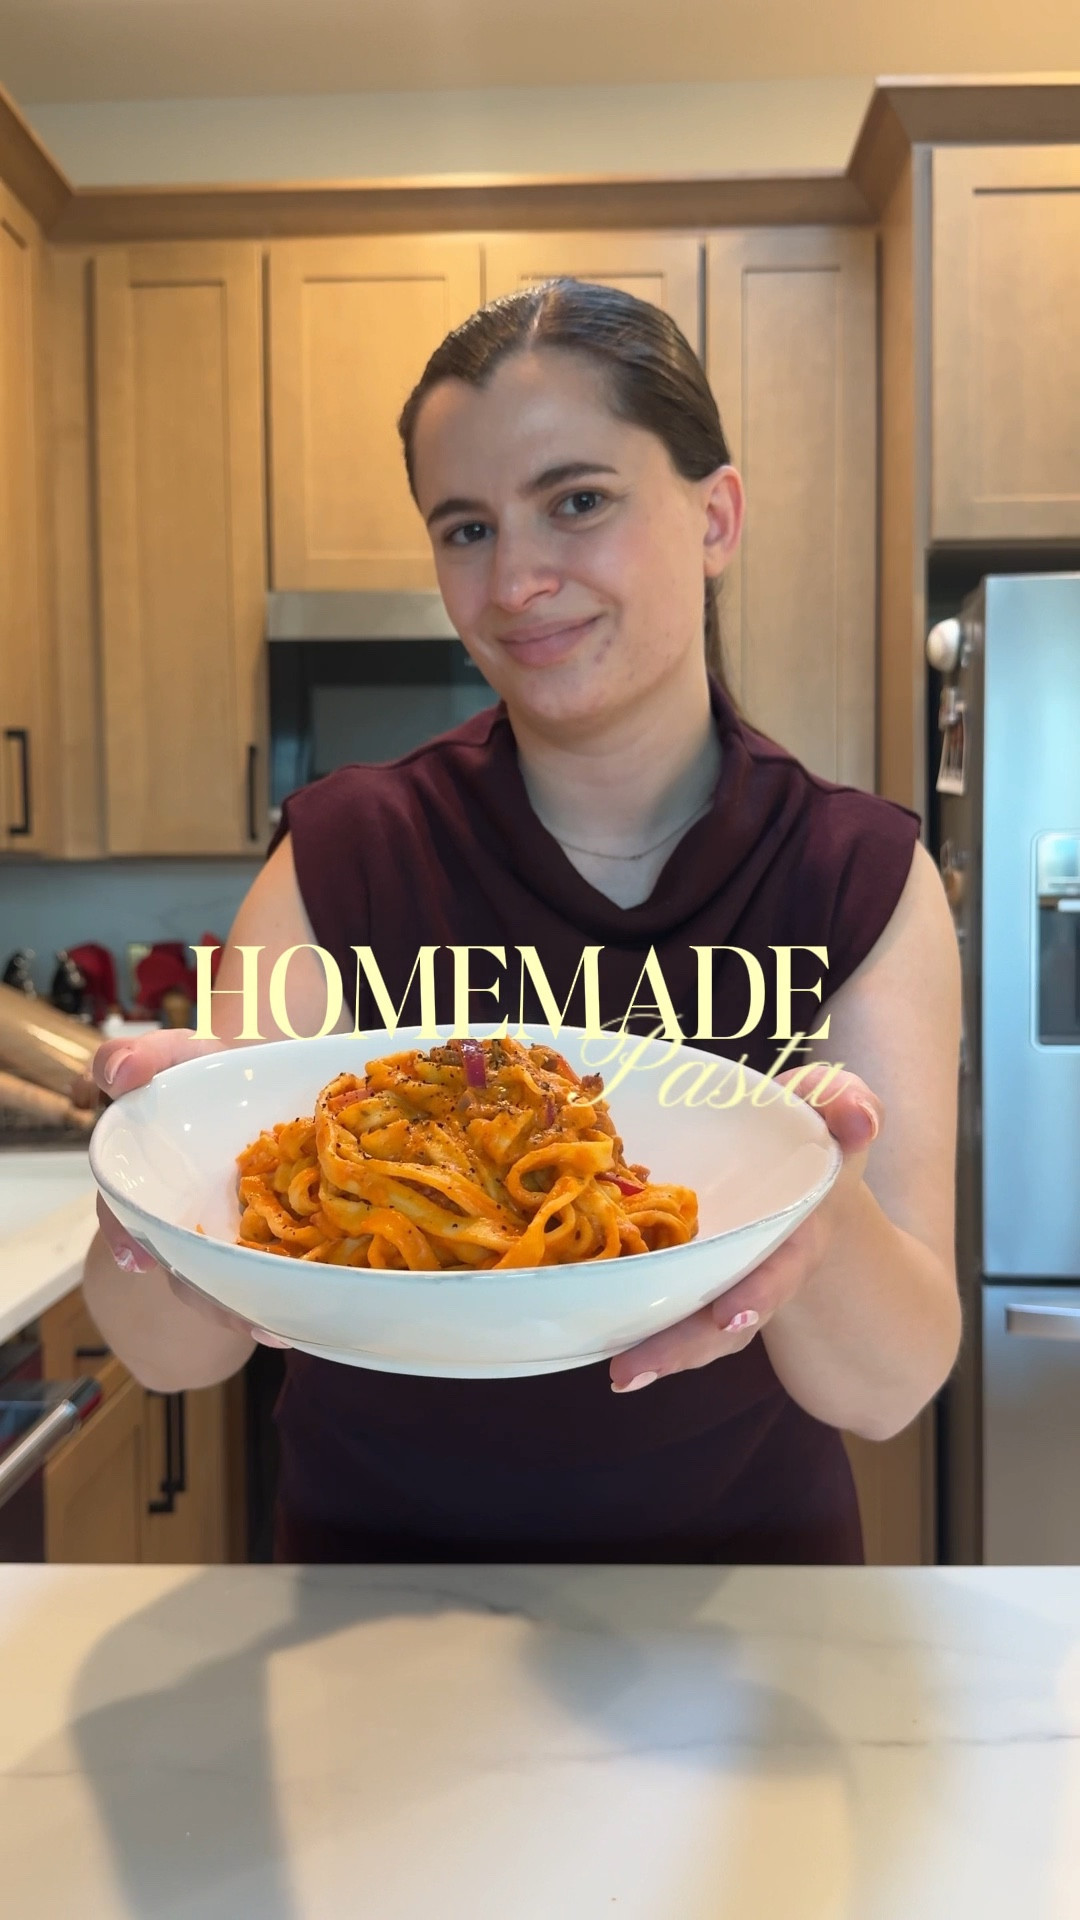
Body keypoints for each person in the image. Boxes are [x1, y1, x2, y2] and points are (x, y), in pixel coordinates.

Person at [86, 279, 962, 1565]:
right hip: (371, 1592)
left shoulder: (858, 872)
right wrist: (148, 1187)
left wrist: (815, 1218)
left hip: (743, 1607)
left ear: (715, 516)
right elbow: (171, 1357)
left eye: (579, 501)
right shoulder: (344, 852)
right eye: (466, 527)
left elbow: (890, 1389)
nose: (520, 579)